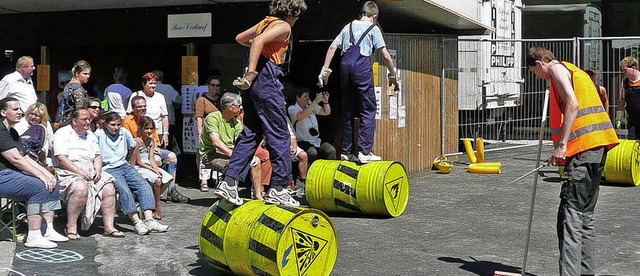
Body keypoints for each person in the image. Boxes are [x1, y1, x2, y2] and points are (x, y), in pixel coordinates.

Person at [526, 46, 619, 276]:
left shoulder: (557, 70)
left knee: (570, 218)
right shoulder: (575, 71)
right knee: (585, 217)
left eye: (534, 72)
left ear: (539, 64)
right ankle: (587, 272)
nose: (537, 77)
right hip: (597, 148)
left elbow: (573, 104)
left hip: (582, 152)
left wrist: (563, 145)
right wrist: (562, 148)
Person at [221, 0, 307, 206]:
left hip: (253, 89)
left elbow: (241, 38)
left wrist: (256, 54)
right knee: (280, 134)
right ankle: (279, 188)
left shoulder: (265, 22)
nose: (297, 19)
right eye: (297, 15)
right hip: (267, 82)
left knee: (251, 133)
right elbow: (258, 41)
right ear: (292, 13)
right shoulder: (283, 26)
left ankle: (229, 183)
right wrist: (251, 72)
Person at [318, 1, 398, 163]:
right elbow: (386, 56)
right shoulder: (374, 29)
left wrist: (325, 69)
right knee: (368, 109)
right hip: (361, 68)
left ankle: (346, 152)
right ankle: (364, 151)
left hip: (345, 68)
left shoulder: (347, 27)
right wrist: (393, 75)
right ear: (374, 16)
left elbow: (333, 47)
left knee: (348, 110)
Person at [0, 97, 68, 248]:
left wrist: (46, 173)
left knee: (52, 181)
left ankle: (47, 229)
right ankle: (34, 235)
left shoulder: (13, 132)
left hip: (11, 174)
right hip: (2, 176)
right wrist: (40, 176)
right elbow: (16, 159)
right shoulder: (0, 130)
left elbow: (24, 157)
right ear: (3, 112)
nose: (20, 112)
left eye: (20, 109)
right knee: (38, 186)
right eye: (15, 109)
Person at [95, 112, 169, 235]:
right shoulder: (98, 135)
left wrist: (131, 164)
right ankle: (137, 222)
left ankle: (149, 219)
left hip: (124, 165)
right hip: (108, 168)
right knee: (124, 190)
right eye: (112, 125)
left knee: (143, 186)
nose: (116, 127)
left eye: (118, 124)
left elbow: (133, 147)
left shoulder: (124, 132)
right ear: (106, 124)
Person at [53, 109, 122, 239]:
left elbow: (97, 155)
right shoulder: (62, 133)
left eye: (89, 119)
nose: (88, 122)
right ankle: (71, 226)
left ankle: (109, 226)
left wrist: (98, 171)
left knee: (108, 187)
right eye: (84, 119)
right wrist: (80, 173)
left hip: (89, 169)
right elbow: (61, 158)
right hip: (68, 170)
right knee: (80, 188)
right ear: (74, 121)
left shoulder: (90, 135)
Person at [200, 93, 269, 200]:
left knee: (256, 161)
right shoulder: (212, 118)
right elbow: (216, 143)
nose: (241, 108)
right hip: (211, 154)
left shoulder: (236, 122)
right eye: (239, 105)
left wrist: (245, 156)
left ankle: (258, 194)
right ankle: (230, 192)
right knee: (235, 165)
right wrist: (237, 156)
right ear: (230, 107)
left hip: (230, 152)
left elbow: (241, 143)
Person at [123, 95, 188, 203]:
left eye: (144, 106)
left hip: (151, 146)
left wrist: (155, 148)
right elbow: (127, 141)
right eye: (139, 107)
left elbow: (154, 138)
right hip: (135, 150)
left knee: (172, 156)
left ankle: (171, 190)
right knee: (156, 160)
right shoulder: (127, 121)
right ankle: (151, 189)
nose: (142, 109)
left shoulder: (148, 119)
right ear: (133, 108)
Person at [130, 116, 173, 220]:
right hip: (139, 167)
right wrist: (153, 170)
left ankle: (151, 200)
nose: (149, 131)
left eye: (151, 128)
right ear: (140, 128)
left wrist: (156, 169)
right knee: (157, 181)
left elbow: (151, 159)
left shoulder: (152, 141)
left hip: (148, 166)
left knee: (167, 178)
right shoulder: (137, 142)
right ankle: (157, 206)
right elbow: (138, 162)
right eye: (146, 128)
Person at [288, 87, 336, 165]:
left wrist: (325, 102)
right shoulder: (292, 108)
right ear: (297, 97)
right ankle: (309, 174)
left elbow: (325, 112)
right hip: (302, 141)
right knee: (312, 152)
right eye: (305, 96)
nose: (308, 98)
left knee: (331, 150)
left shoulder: (310, 105)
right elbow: (301, 116)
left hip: (315, 140)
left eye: (308, 96)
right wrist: (315, 102)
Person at [195, 75, 222, 191]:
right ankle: (204, 181)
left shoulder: (221, 99)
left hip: (219, 130)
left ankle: (218, 180)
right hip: (206, 131)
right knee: (204, 155)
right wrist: (200, 132)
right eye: (213, 85)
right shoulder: (202, 99)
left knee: (219, 154)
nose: (215, 87)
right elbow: (199, 117)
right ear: (208, 86)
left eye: (217, 85)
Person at [152, 70, 182, 150]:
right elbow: (178, 100)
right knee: (167, 144)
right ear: (162, 79)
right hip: (168, 120)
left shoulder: (147, 88)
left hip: (151, 120)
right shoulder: (167, 88)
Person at [57, 60, 92, 128]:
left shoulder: (68, 86)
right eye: (85, 74)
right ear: (77, 73)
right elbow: (80, 111)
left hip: (64, 122)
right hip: (74, 125)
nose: (88, 76)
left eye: (89, 74)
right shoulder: (77, 89)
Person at [617, 56, 640, 139]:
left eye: (625, 70)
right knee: (632, 142)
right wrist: (618, 117)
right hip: (632, 120)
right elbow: (621, 100)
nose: (623, 72)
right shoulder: (625, 82)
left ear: (633, 68)